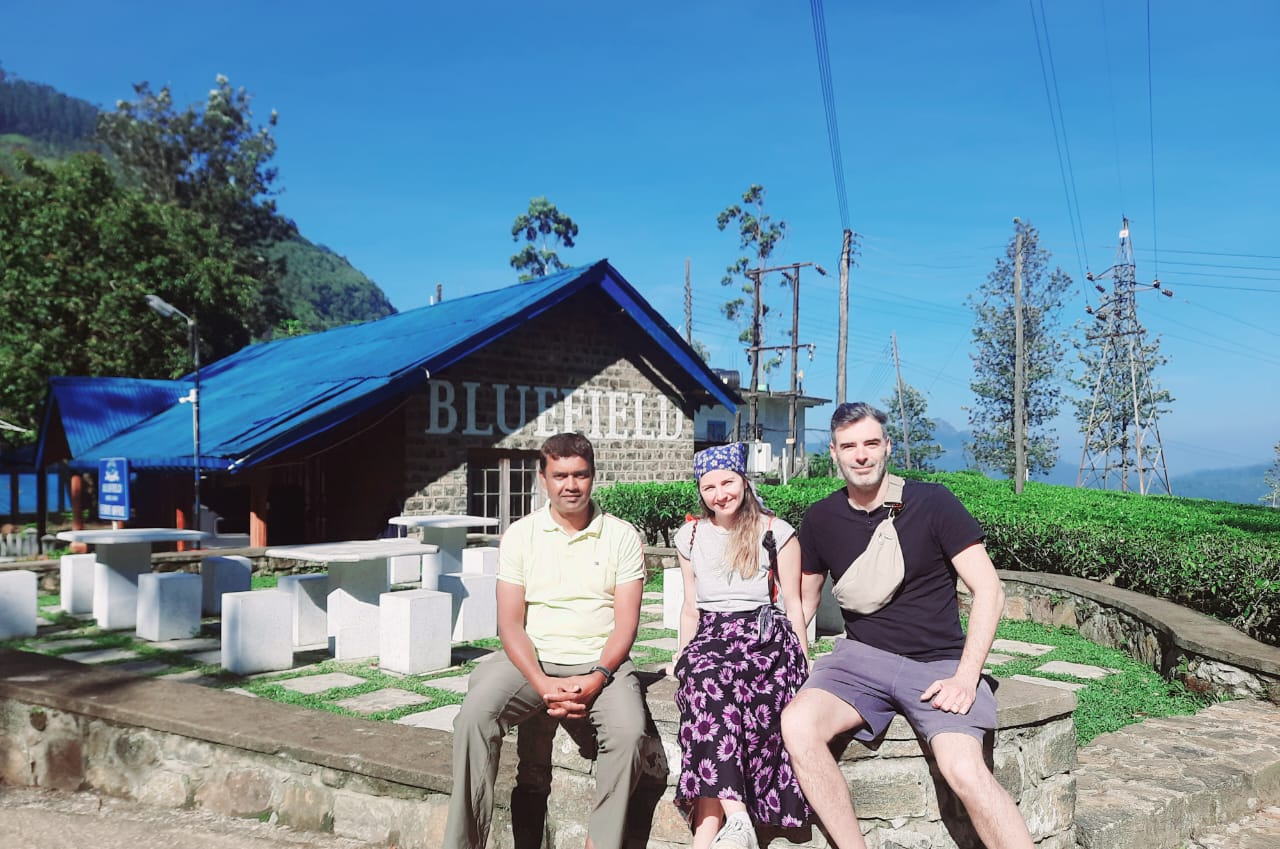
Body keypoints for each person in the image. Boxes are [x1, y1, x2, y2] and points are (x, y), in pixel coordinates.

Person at [780, 402, 1034, 849]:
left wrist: (966, 677)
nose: (861, 455)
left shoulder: (932, 502)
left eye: (870, 443)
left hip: (938, 665)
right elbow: (802, 599)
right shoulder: (820, 518)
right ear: (834, 453)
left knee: (963, 769)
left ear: (887, 447)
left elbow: (989, 591)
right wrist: (798, 659)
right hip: (858, 662)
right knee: (797, 724)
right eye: (849, 446)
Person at [443, 432, 647, 849]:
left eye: (580, 475)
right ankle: (464, 844)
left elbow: (626, 626)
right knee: (473, 718)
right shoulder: (521, 535)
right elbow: (510, 625)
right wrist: (542, 683)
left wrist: (597, 676)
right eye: (560, 476)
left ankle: (600, 843)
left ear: (593, 476)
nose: (570, 485)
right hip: (531, 660)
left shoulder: (622, 536)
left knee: (629, 733)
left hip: (600, 661)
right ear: (543, 478)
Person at [671, 442, 811, 849]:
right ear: (700, 491)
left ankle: (723, 831)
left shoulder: (775, 532)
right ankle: (738, 821)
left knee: (714, 691)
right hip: (711, 635)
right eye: (709, 487)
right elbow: (690, 606)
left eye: (728, 482)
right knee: (705, 679)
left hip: (761, 636)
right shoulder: (689, 535)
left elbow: (794, 603)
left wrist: (803, 661)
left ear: (744, 481)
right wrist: (681, 652)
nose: (720, 494)